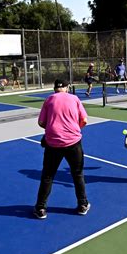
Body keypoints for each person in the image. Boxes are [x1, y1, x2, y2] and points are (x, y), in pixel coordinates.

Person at [34, 79, 90, 219]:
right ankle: (82, 205)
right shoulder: (74, 98)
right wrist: (74, 129)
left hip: (53, 144)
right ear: (66, 88)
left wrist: (53, 129)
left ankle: (41, 208)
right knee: (77, 174)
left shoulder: (48, 100)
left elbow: (41, 122)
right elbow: (84, 120)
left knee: (48, 176)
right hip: (74, 143)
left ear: (54, 88)